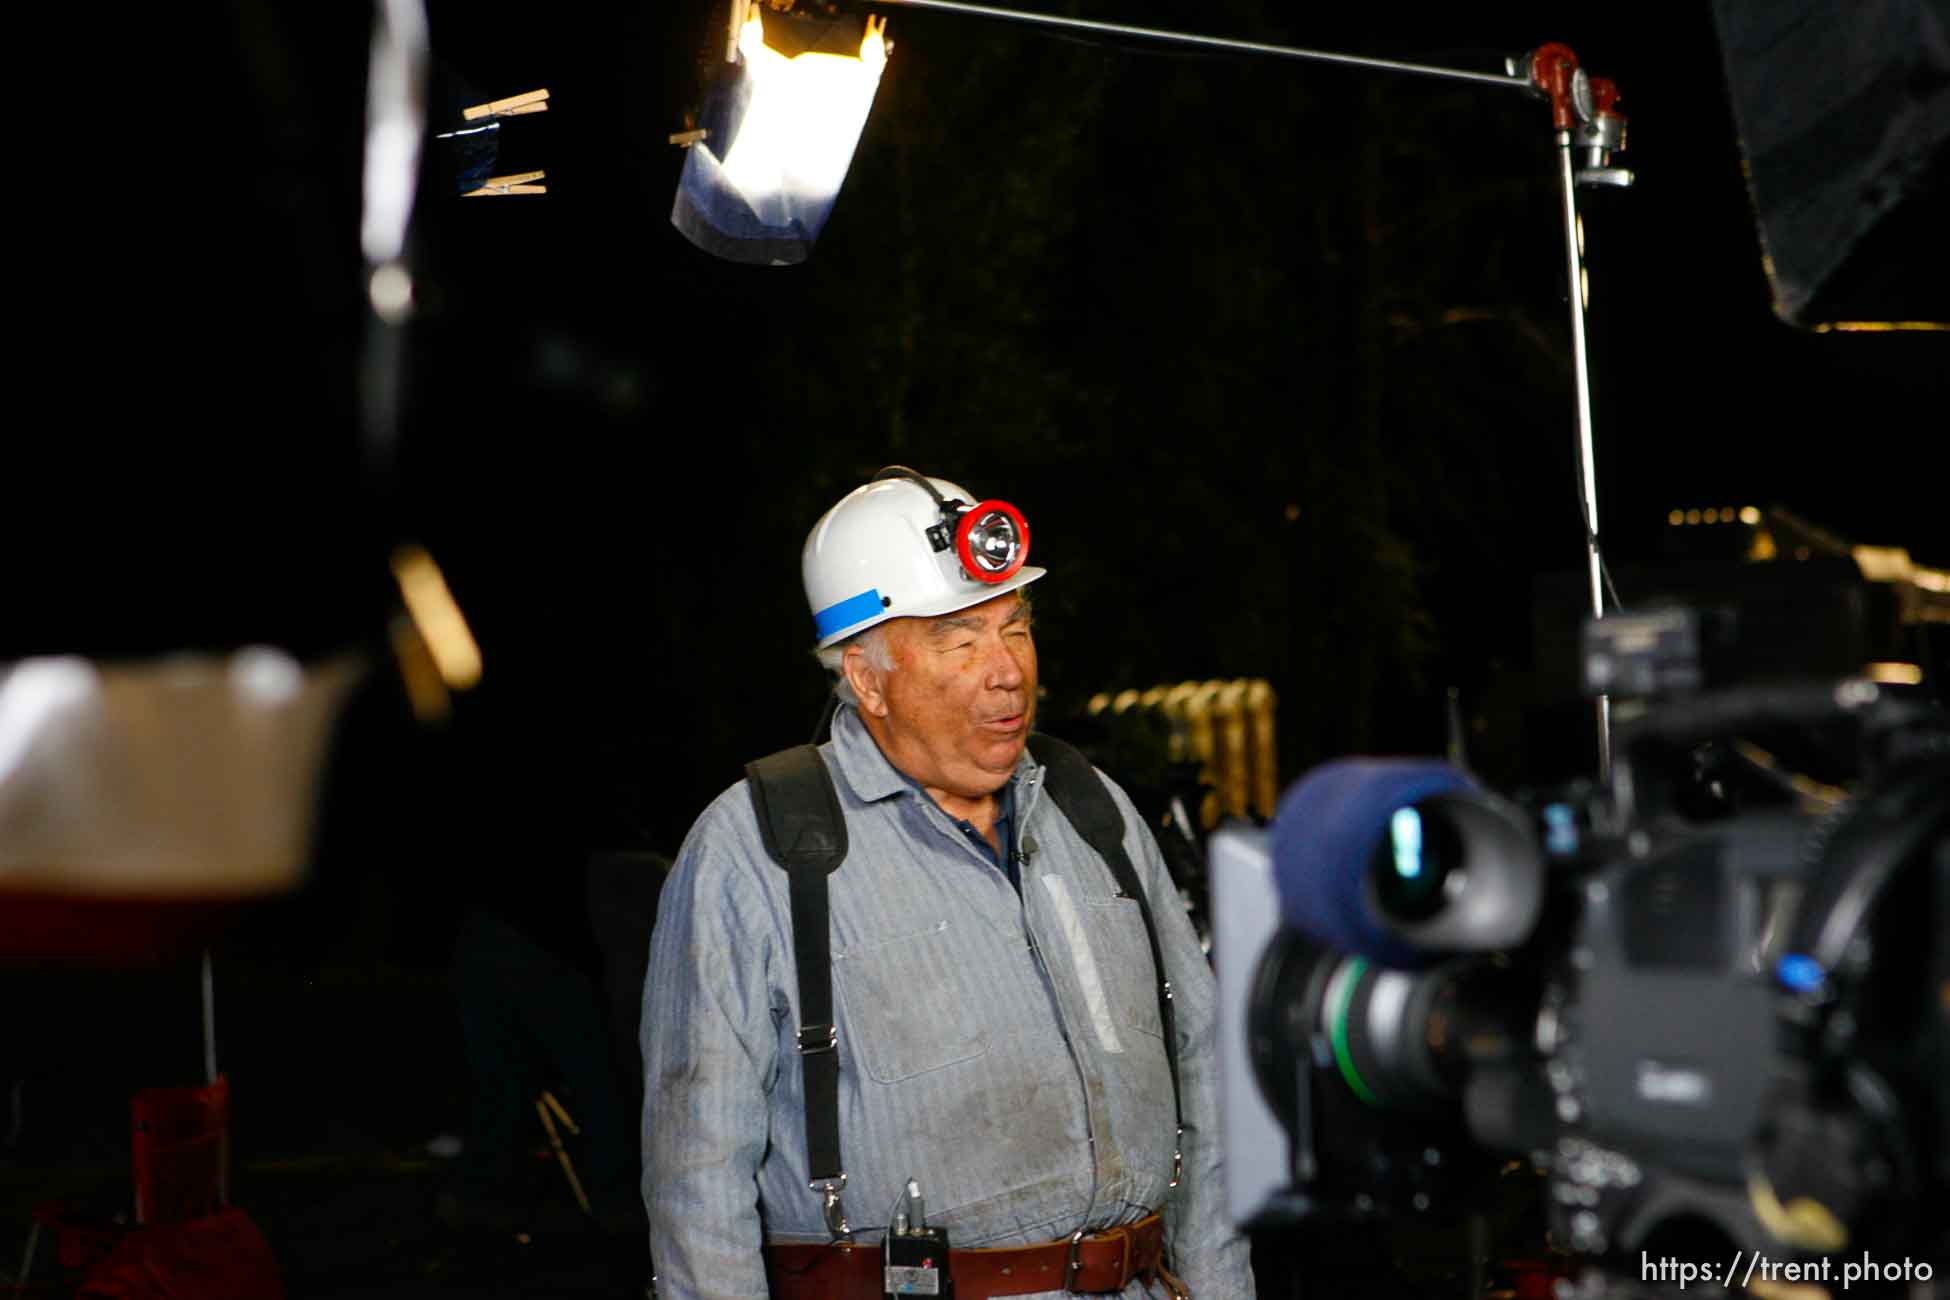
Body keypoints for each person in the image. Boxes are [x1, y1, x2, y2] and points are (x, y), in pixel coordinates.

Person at [642, 468, 1257, 1299]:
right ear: (866, 677)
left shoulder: (1090, 810)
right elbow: (698, 1184)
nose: (1006, 670)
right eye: (959, 640)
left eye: (1015, 627)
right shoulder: (762, 850)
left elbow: (1208, 1078)